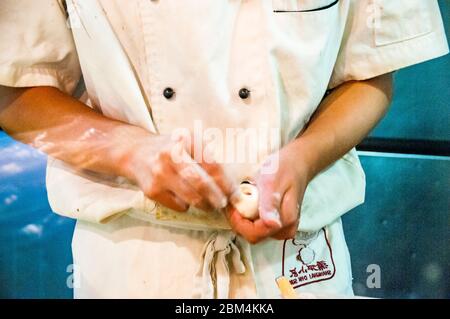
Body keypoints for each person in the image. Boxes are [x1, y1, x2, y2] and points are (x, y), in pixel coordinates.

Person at [0, 0, 447, 298]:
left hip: (297, 261)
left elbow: (370, 72)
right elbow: (14, 93)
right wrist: (129, 151)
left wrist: (303, 159)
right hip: (138, 262)